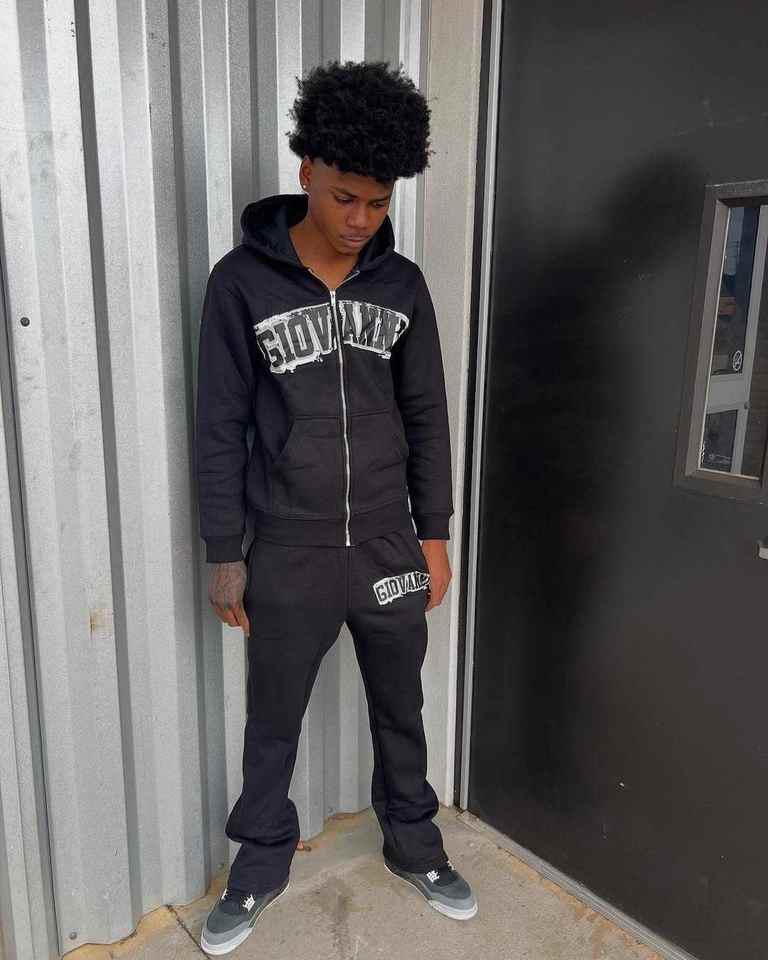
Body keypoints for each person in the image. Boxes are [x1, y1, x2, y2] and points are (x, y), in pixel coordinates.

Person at [195, 58, 476, 956]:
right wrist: (224, 551)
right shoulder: (241, 283)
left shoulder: (403, 286)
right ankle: (258, 865)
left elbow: (428, 414)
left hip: (389, 543)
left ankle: (415, 845)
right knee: (272, 720)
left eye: (379, 203)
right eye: (346, 196)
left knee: (401, 707)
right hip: (289, 547)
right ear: (307, 168)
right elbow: (219, 424)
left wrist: (434, 535)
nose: (361, 220)